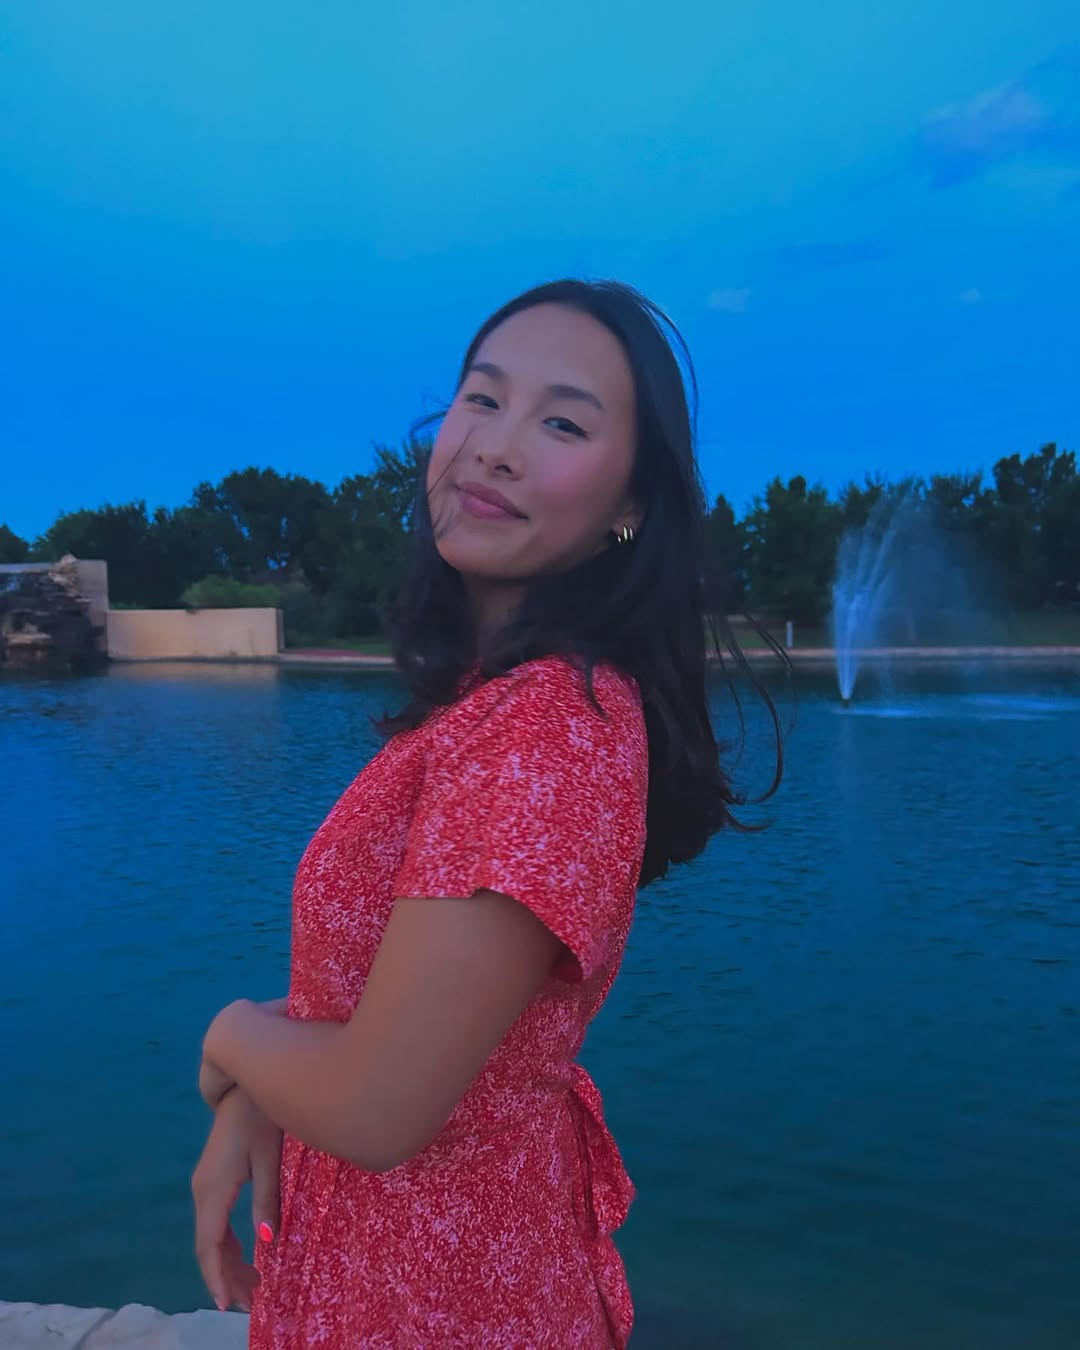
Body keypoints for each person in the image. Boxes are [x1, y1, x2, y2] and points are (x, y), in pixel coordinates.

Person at [190, 278, 784, 1348]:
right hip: (397, 1272)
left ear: (632, 505)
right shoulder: (488, 700)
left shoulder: (549, 724)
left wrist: (229, 1034)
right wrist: (260, 1091)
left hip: (443, 1299)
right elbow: (389, 1018)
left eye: (563, 424)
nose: (498, 447)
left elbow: (378, 1105)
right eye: (483, 399)